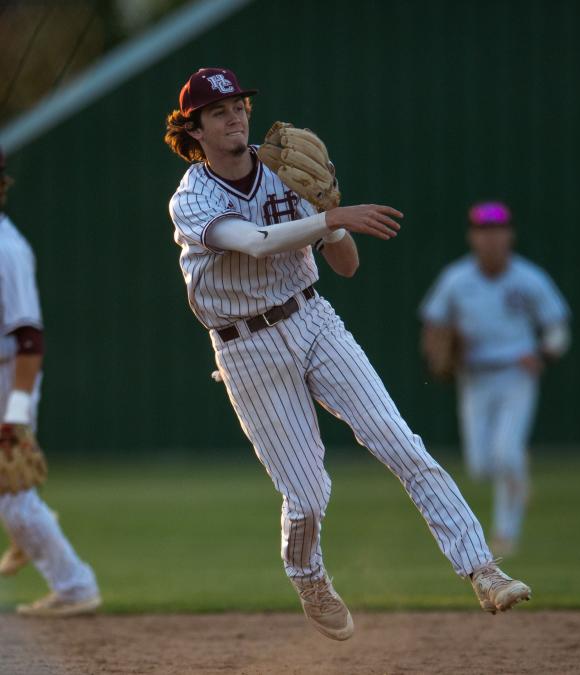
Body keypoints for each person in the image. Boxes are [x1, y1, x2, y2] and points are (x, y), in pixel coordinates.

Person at [164, 68, 530, 640]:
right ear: (195, 129)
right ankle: (308, 576)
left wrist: (328, 217)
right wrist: (330, 217)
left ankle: (482, 568)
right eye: (219, 111)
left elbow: (347, 267)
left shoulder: (285, 166)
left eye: (238, 105)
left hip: (312, 319)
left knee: (399, 441)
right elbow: (254, 243)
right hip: (246, 348)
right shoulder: (193, 197)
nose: (235, 116)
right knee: (307, 496)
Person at [419, 202, 571, 556]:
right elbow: (434, 325)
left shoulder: (528, 278)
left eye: (498, 231)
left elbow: (558, 328)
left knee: (505, 454)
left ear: (510, 235)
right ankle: (519, 470)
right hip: (474, 377)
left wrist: (545, 353)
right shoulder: (456, 279)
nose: (491, 239)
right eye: (483, 232)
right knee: (480, 465)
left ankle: (505, 533)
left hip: (516, 374)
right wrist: (436, 354)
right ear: (473, 237)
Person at [0, 146, 101, 616]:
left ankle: (75, 585)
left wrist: (16, 415)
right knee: (15, 500)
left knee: (15, 496)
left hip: (7, 377)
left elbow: (28, 339)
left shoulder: (7, 249)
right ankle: (31, 532)